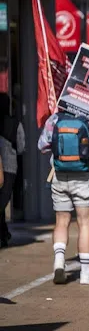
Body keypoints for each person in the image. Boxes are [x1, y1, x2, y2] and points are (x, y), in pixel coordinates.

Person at [38, 108, 89, 285]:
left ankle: (59, 261)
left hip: (60, 175)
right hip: (84, 177)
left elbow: (41, 146)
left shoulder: (55, 118)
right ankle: (85, 273)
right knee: (84, 223)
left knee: (61, 221)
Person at [0, 94, 25, 247]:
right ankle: (3, 234)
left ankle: (3, 234)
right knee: (3, 202)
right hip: (9, 167)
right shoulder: (15, 124)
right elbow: (21, 147)